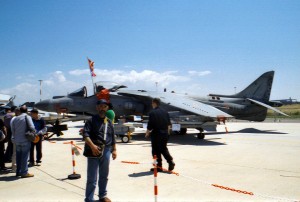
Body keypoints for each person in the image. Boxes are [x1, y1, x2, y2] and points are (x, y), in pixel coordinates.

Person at [83, 99, 117, 202]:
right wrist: (93, 146)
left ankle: (102, 195)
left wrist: (114, 150)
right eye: (101, 106)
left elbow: (112, 137)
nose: (102, 108)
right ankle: (89, 199)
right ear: (97, 107)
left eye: (105, 106)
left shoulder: (109, 122)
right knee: (92, 178)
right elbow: (85, 135)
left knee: (104, 175)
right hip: (94, 151)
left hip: (106, 150)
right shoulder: (91, 121)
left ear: (107, 108)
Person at [145, 98, 175, 172]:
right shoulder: (165, 112)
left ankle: (160, 166)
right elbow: (169, 124)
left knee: (155, 150)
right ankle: (169, 161)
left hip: (156, 134)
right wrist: (168, 134)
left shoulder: (152, 113)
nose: (152, 105)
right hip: (165, 133)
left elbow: (150, 126)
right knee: (163, 148)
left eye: (152, 103)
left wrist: (147, 133)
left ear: (154, 103)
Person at [11, 105, 35, 178]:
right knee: (24, 157)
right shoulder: (27, 117)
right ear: (27, 111)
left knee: (18, 157)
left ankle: (18, 172)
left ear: (20, 111)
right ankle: (24, 172)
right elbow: (32, 127)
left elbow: (13, 130)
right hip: (25, 140)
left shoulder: (15, 118)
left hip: (17, 140)